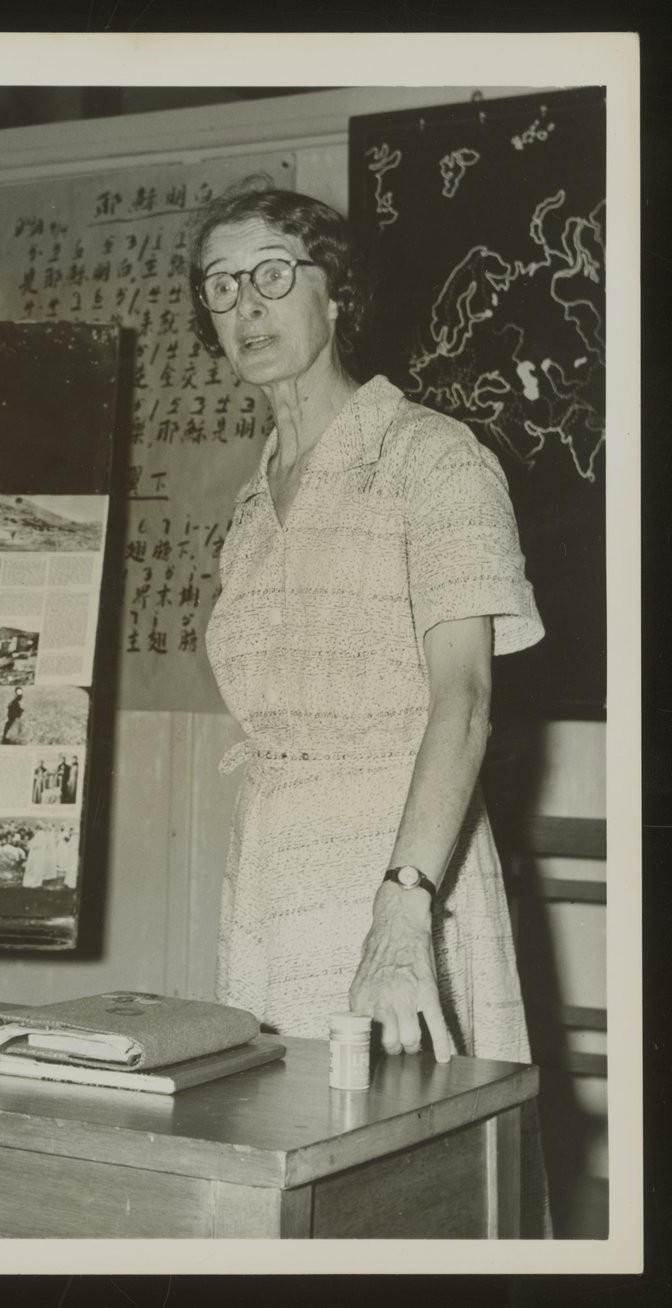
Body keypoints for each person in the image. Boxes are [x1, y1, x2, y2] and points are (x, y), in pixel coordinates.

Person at [190, 185, 548, 1231]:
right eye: (219, 287)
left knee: (410, 1196)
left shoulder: (430, 459)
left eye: (270, 275)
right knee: (282, 1182)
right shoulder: (253, 507)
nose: (244, 307)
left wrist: (402, 915)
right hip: (274, 880)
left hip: (401, 872)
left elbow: (466, 699)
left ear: (335, 295)